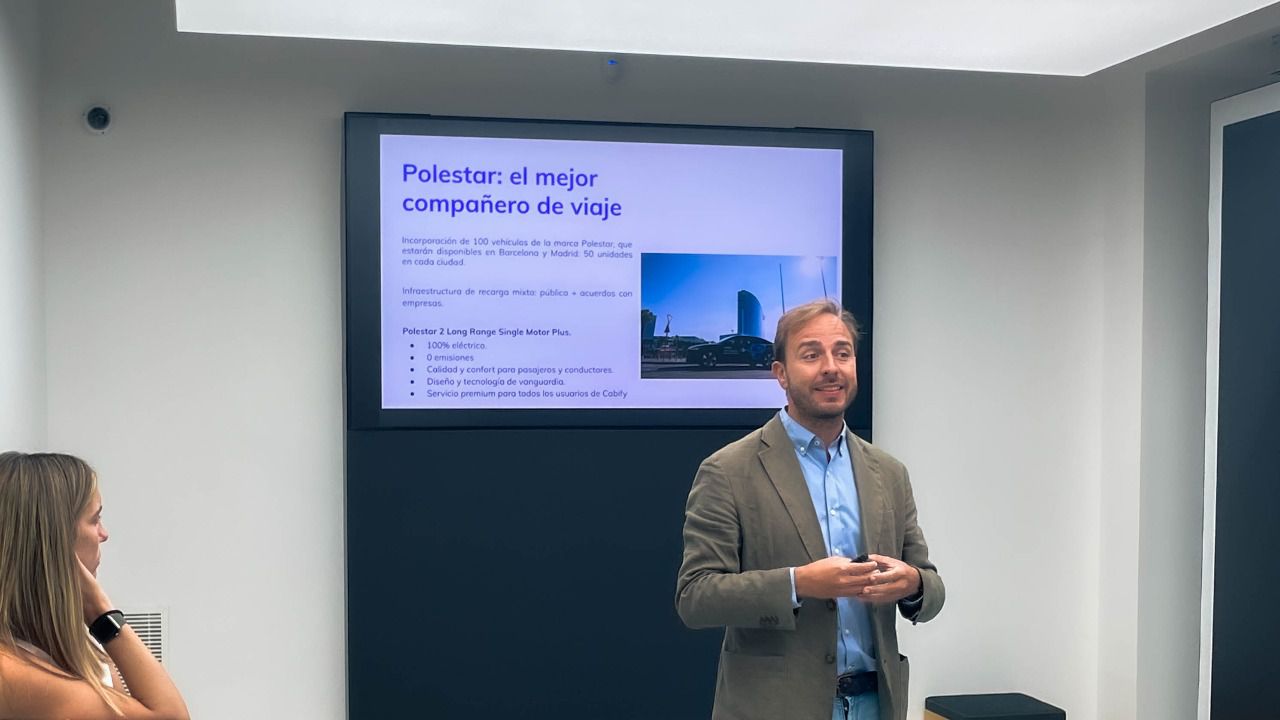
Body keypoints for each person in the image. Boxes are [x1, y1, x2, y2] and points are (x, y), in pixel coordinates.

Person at [676, 299, 944, 720]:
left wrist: (912, 584)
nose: (831, 367)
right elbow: (696, 597)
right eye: (811, 354)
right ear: (780, 373)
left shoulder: (889, 472)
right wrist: (798, 583)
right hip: (775, 706)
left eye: (842, 353)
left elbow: (930, 586)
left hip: (877, 704)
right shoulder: (728, 470)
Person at [0, 451, 191, 720]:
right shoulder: (9, 672)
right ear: (56, 541)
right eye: (95, 519)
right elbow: (171, 716)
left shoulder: (68, 646)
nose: (104, 534)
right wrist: (100, 610)